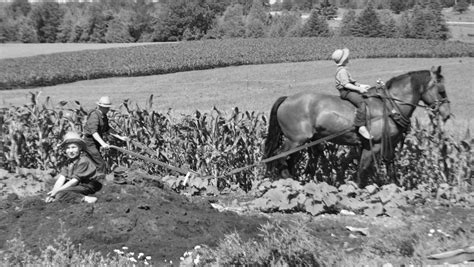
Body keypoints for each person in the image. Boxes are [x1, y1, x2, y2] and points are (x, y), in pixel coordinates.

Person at [45, 131, 102, 203]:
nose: (70, 151)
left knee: (61, 193)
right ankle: (59, 196)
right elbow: (61, 178)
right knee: (55, 191)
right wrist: (53, 193)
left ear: (80, 148)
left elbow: (74, 181)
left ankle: (86, 199)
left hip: (88, 185)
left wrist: (58, 191)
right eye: (68, 148)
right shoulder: (68, 162)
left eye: (73, 147)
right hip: (78, 184)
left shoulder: (83, 161)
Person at [332, 48, 373, 140]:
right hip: (346, 92)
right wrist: (359, 89)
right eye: (346, 57)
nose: (348, 58)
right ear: (344, 60)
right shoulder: (342, 71)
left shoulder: (343, 70)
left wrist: (362, 85)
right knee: (361, 102)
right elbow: (346, 84)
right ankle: (360, 126)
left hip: (348, 90)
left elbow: (352, 82)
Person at [83, 96, 128, 178]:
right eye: (105, 108)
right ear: (100, 107)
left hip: (96, 142)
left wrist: (120, 137)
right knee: (101, 164)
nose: (108, 110)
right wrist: (103, 143)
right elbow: (94, 133)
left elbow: (108, 129)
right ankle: (101, 182)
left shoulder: (104, 116)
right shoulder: (94, 116)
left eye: (108, 108)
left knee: (93, 163)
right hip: (89, 143)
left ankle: (92, 179)